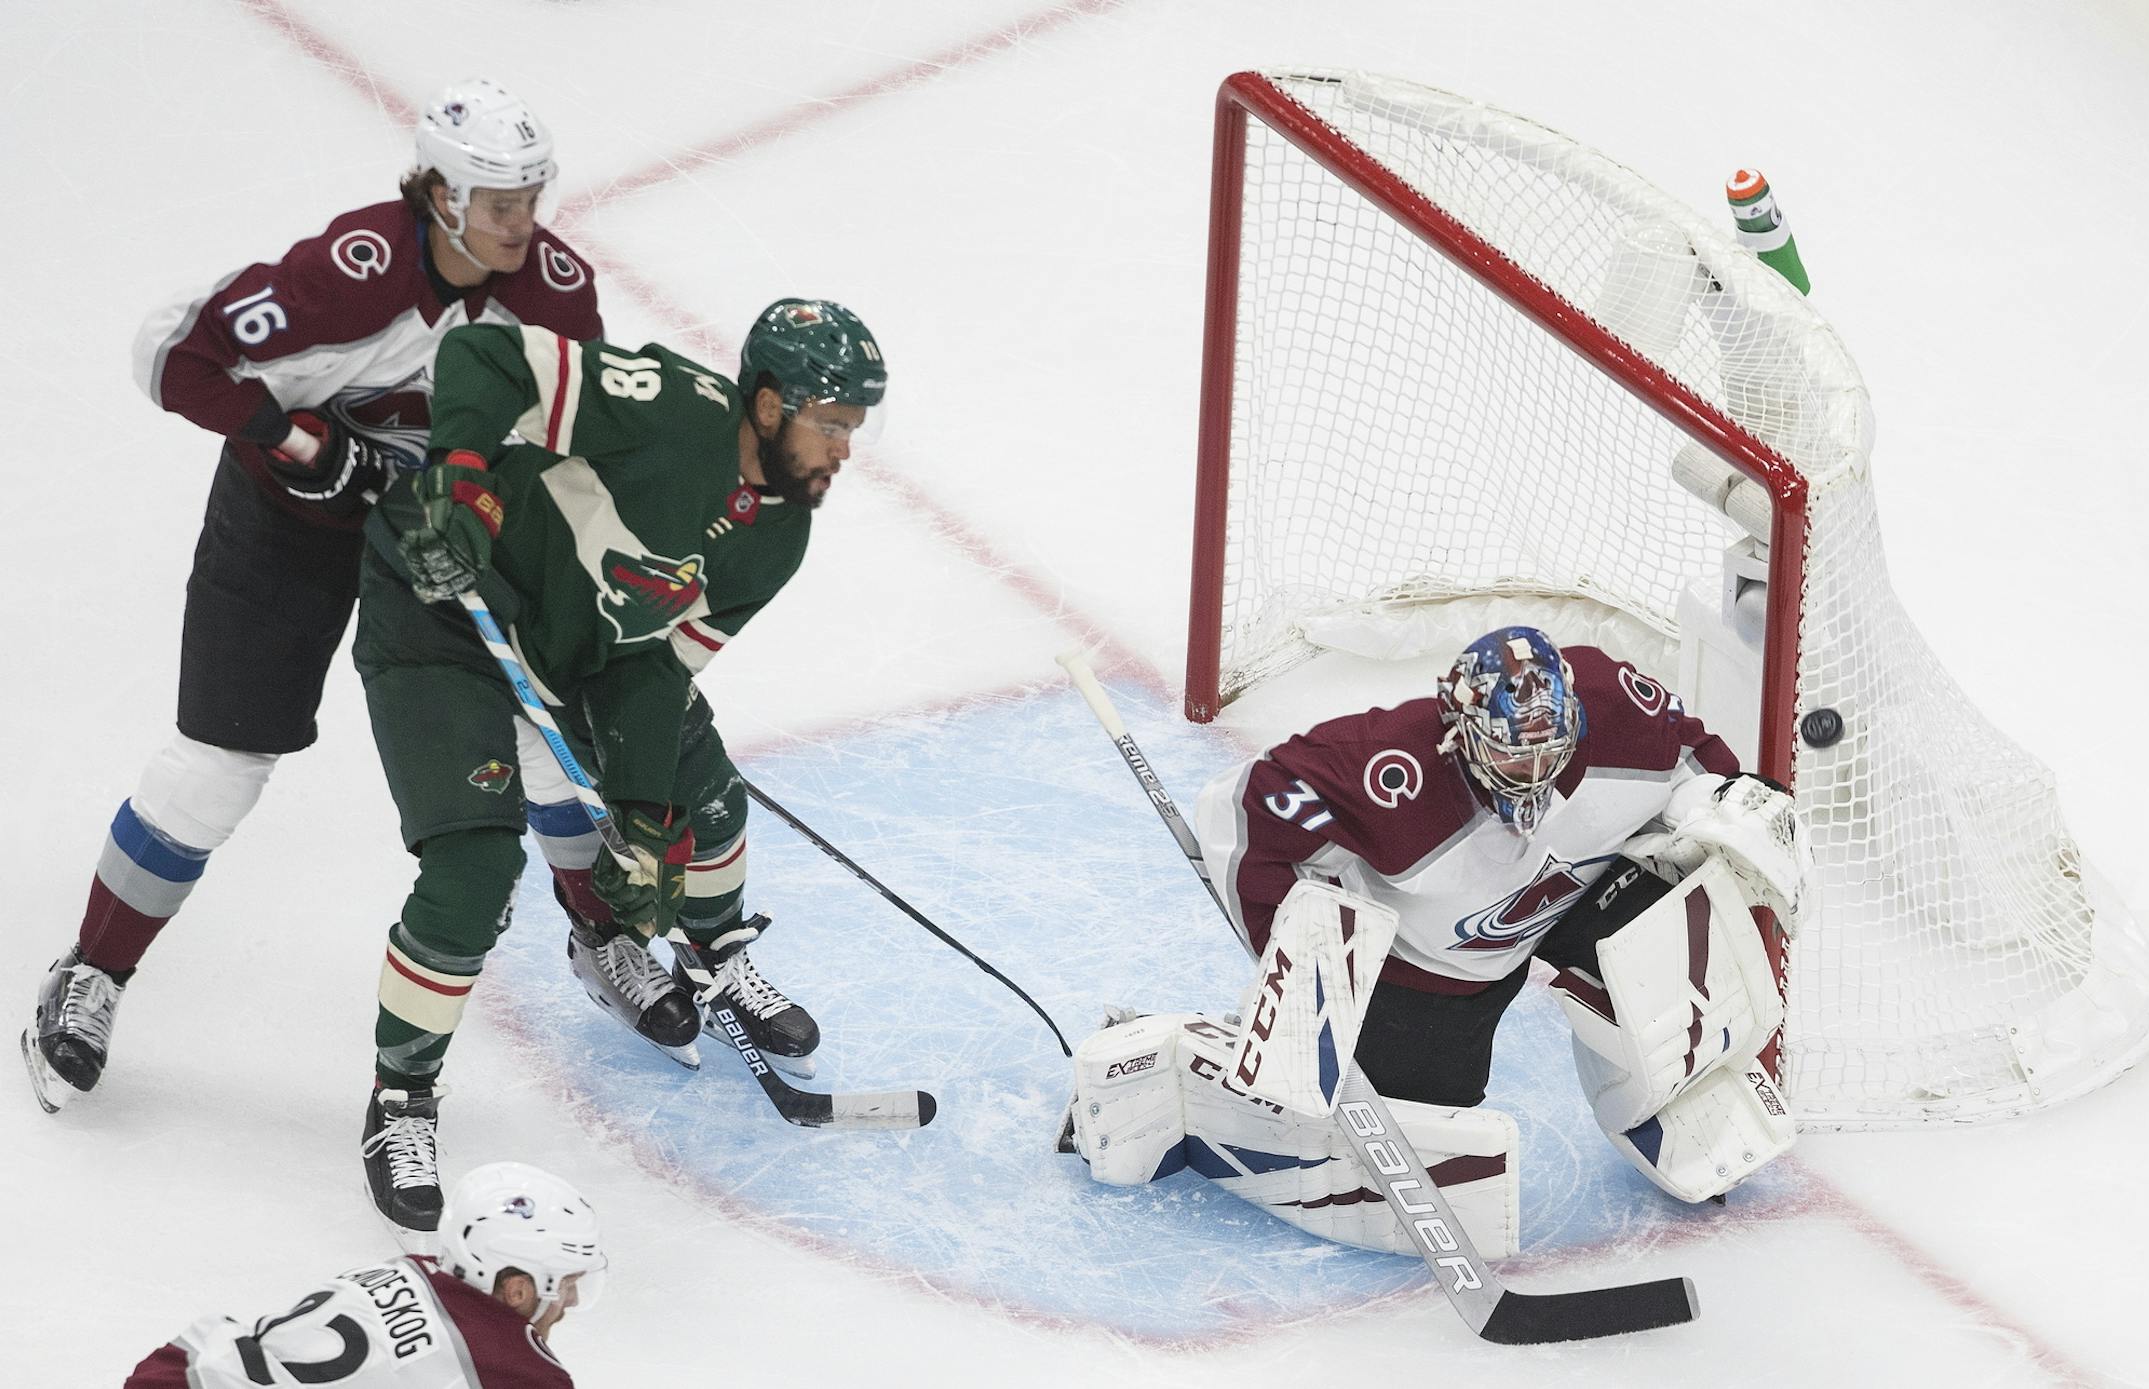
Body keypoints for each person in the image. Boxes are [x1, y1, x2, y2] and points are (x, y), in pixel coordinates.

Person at [22, 78, 604, 1113]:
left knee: (537, 730)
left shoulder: (555, 291)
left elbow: (572, 441)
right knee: (218, 767)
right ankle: (93, 972)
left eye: (531, 198)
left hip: (440, 535)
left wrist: (487, 514)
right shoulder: (350, 275)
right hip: (287, 527)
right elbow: (172, 355)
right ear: (436, 194)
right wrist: (303, 443)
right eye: (497, 202)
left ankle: (604, 938)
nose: (522, 224)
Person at [355, 299, 886, 1235]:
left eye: (852, 429)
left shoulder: (779, 536)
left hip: (575, 654)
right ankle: (401, 1097)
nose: (844, 449)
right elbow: (484, 352)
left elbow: (653, 667)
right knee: (473, 874)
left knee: (700, 802)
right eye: (830, 424)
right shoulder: (671, 411)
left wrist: (645, 815)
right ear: (766, 406)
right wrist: (459, 485)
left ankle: (716, 955)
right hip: (443, 611)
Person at [1060, 626, 1809, 1259]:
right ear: (1462, 733)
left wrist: (1727, 806)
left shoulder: (1616, 703)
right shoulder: (1387, 766)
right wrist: (1300, 945)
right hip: (1433, 970)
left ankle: (1683, 1106)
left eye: (1553, 749)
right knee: (1397, 1140)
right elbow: (1241, 812)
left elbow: (1696, 757)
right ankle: (1186, 1069)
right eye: (1515, 757)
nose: (1538, 774)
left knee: (1682, 921)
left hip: (1578, 896)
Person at [124, 1160, 602, 1387]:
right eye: (566, 1284)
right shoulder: (518, 1371)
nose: (571, 1302)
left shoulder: (404, 1271)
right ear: (517, 1287)